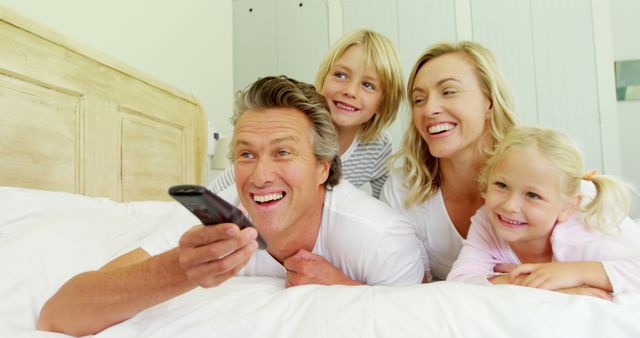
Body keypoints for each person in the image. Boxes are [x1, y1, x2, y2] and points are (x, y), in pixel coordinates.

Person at [37, 76, 424, 336]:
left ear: (323, 167)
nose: (259, 177)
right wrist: (179, 268)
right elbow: (60, 313)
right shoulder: (215, 220)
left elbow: (424, 322)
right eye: (246, 154)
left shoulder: (379, 238)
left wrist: (349, 290)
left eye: (283, 152)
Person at [446, 127, 640, 299]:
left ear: (567, 208)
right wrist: (537, 284)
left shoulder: (574, 239)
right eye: (501, 185)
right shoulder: (486, 222)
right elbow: (459, 282)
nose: (510, 205)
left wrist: (575, 273)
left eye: (532, 195)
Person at [210, 29, 405, 198]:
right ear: (324, 77)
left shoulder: (378, 147)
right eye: (340, 75)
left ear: (383, 102)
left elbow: (387, 204)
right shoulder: (296, 126)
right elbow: (226, 184)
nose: (350, 91)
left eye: (368, 85)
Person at [381, 41, 517, 281]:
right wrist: (507, 282)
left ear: (490, 102)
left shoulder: (540, 170)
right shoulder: (402, 190)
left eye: (449, 92)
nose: (429, 109)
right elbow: (409, 290)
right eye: (419, 99)